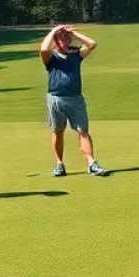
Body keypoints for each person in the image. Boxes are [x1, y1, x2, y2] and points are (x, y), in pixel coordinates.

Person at [39, 24, 106, 177]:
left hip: (76, 99)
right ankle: (59, 164)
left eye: (66, 37)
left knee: (83, 131)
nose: (64, 40)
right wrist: (54, 30)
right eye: (60, 38)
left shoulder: (76, 55)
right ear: (55, 41)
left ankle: (91, 164)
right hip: (56, 99)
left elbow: (92, 44)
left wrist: (73, 33)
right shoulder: (51, 57)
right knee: (58, 131)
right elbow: (43, 49)